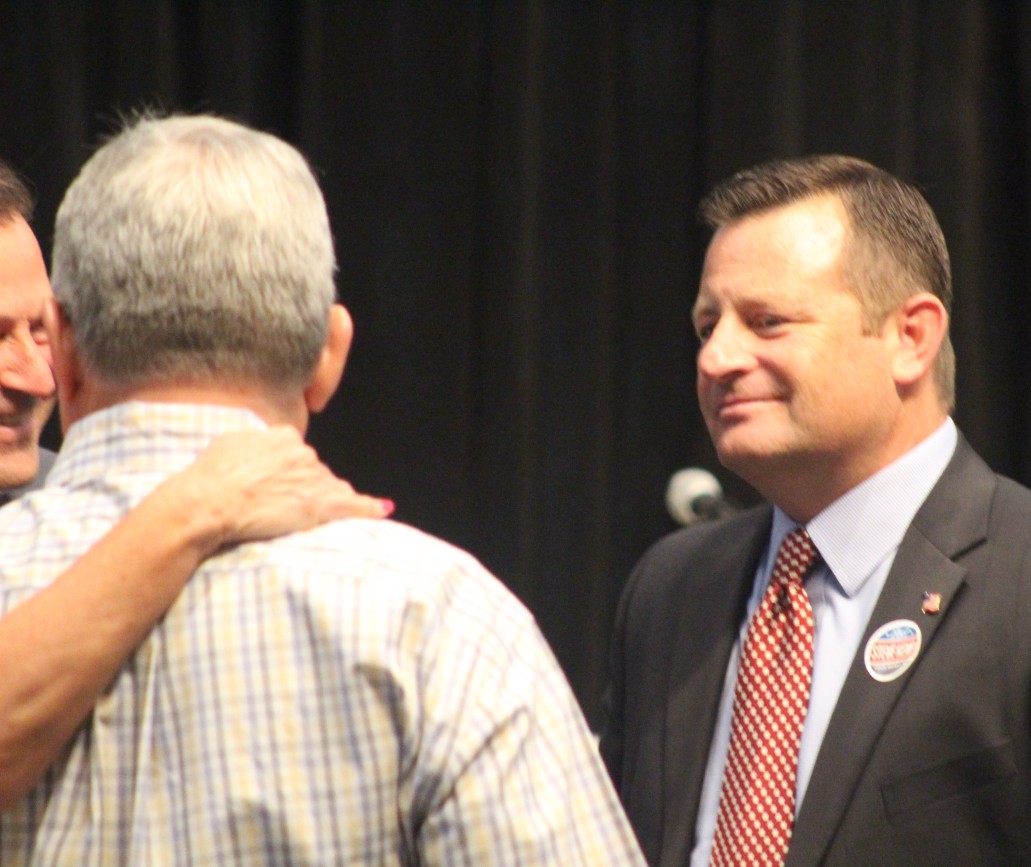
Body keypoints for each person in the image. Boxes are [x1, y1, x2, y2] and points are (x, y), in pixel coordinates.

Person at [0, 112, 644, 866]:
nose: (29, 376)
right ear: (327, 357)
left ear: (65, 348)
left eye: (35, 337)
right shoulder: (440, 619)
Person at [600, 155, 1031, 866]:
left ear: (911, 338)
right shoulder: (669, 591)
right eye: (707, 326)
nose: (717, 357)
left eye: (768, 321)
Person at [0, 156, 392, 810]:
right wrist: (193, 507)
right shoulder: (204, 500)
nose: (37, 379)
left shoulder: (53, 494)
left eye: (39, 330)